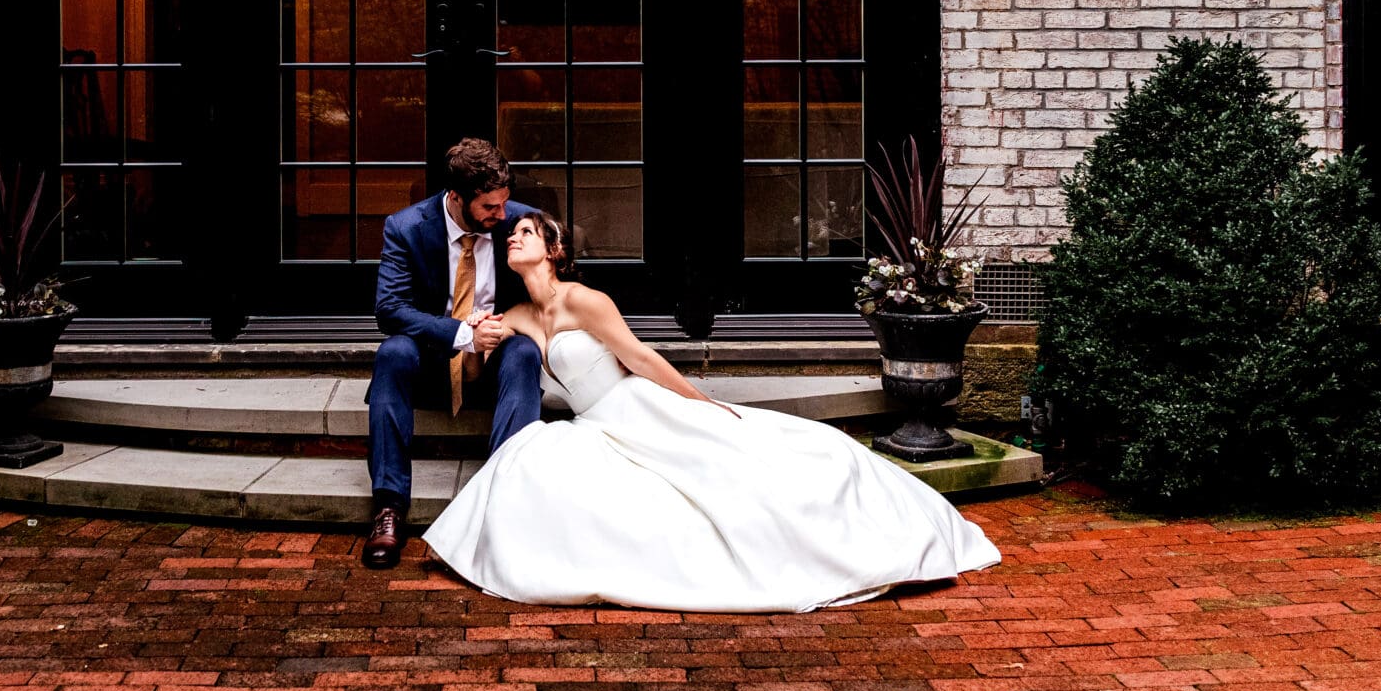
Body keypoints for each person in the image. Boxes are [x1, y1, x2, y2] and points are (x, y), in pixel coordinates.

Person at [425, 210, 1002, 611]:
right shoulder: (520, 316)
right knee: (550, 469)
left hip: (640, 407)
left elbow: (642, 359)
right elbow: (474, 372)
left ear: (553, 249)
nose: (511, 240)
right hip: (593, 426)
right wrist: (473, 337)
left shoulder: (586, 301)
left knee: (736, 473)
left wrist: (702, 403)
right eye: (509, 236)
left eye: (524, 232)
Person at [362, 138, 539, 570]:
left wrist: (501, 325)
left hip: (495, 356)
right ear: (456, 198)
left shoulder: (519, 223)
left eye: (504, 204)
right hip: (433, 358)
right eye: (489, 208)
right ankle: (388, 508)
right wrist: (461, 332)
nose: (501, 217)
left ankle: (503, 500)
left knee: (524, 353)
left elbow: (550, 294)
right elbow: (390, 309)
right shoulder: (405, 227)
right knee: (392, 353)